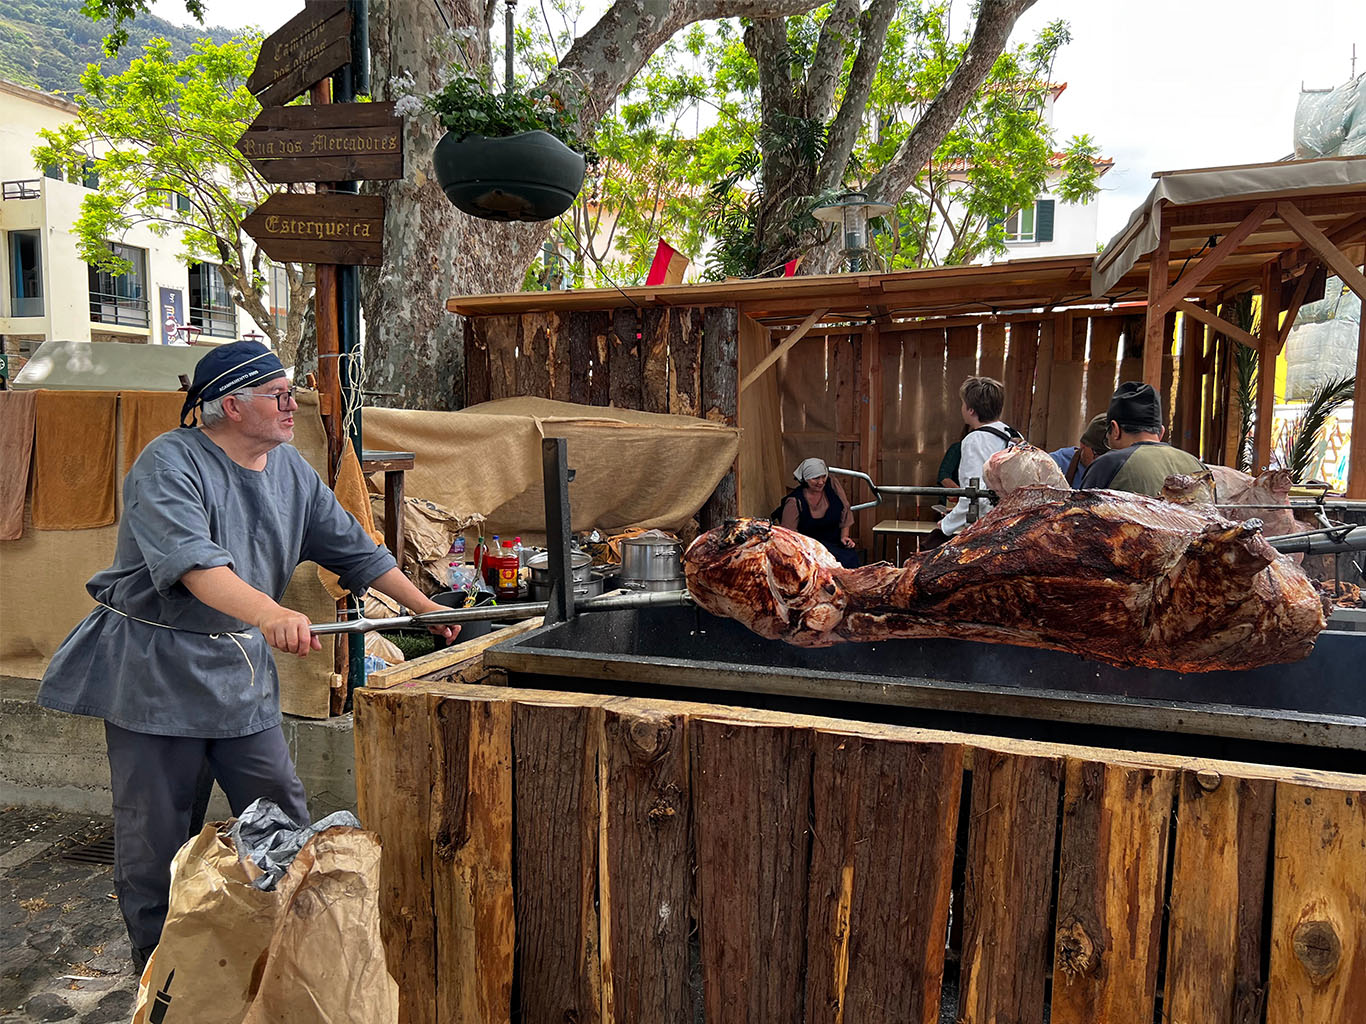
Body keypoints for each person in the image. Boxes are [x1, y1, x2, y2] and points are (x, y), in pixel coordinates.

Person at [35, 341, 457, 971]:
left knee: (284, 822)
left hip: (239, 678)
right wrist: (272, 613)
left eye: (290, 393)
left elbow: (356, 551)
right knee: (155, 847)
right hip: (154, 677)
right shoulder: (169, 464)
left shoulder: (290, 471)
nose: (293, 405)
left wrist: (429, 610)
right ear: (228, 405)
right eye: (277, 394)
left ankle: (289, 967)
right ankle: (159, 981)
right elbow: (197, 568)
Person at [1080, 381, 1205, 496]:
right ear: (1161, 432)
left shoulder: (1108, 465)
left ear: (1115, 430)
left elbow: (1078, 516)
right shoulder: (1197, 466)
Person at [939, 376, 1020, 537]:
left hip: (988, 528)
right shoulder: (1013, 435)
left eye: (963, 403)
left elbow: (973, 493)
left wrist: (945, 525)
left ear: (970, 410)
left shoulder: (974, 440)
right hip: (1014, 523)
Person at [778, 457, 860, 568]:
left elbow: (845, 510)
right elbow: (788, 536)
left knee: (850, 560)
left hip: (835, 543)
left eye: (823, 477)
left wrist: (844, 536)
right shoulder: (794, 502)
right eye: (815, 478)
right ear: (805, 479)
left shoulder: (832, 485)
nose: (821, 482)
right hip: (810, 550)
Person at [1049, 413, 1110, 487]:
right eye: (1098, 454)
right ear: (1083, 445)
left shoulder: (1119, 471)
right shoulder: (1055, 463)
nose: (1103, 462)